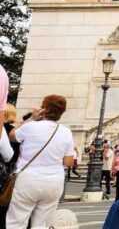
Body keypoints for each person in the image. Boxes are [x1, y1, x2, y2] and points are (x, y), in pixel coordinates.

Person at [5, 95, 75, 229]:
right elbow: (68, 162)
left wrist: (31, 118)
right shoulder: (66, 132)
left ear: (44, 108)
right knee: (42, 224)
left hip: (28, 179)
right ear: (62, 112)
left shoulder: (31, 127)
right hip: (54, 181)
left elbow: (12, 136)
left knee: (16, 220)